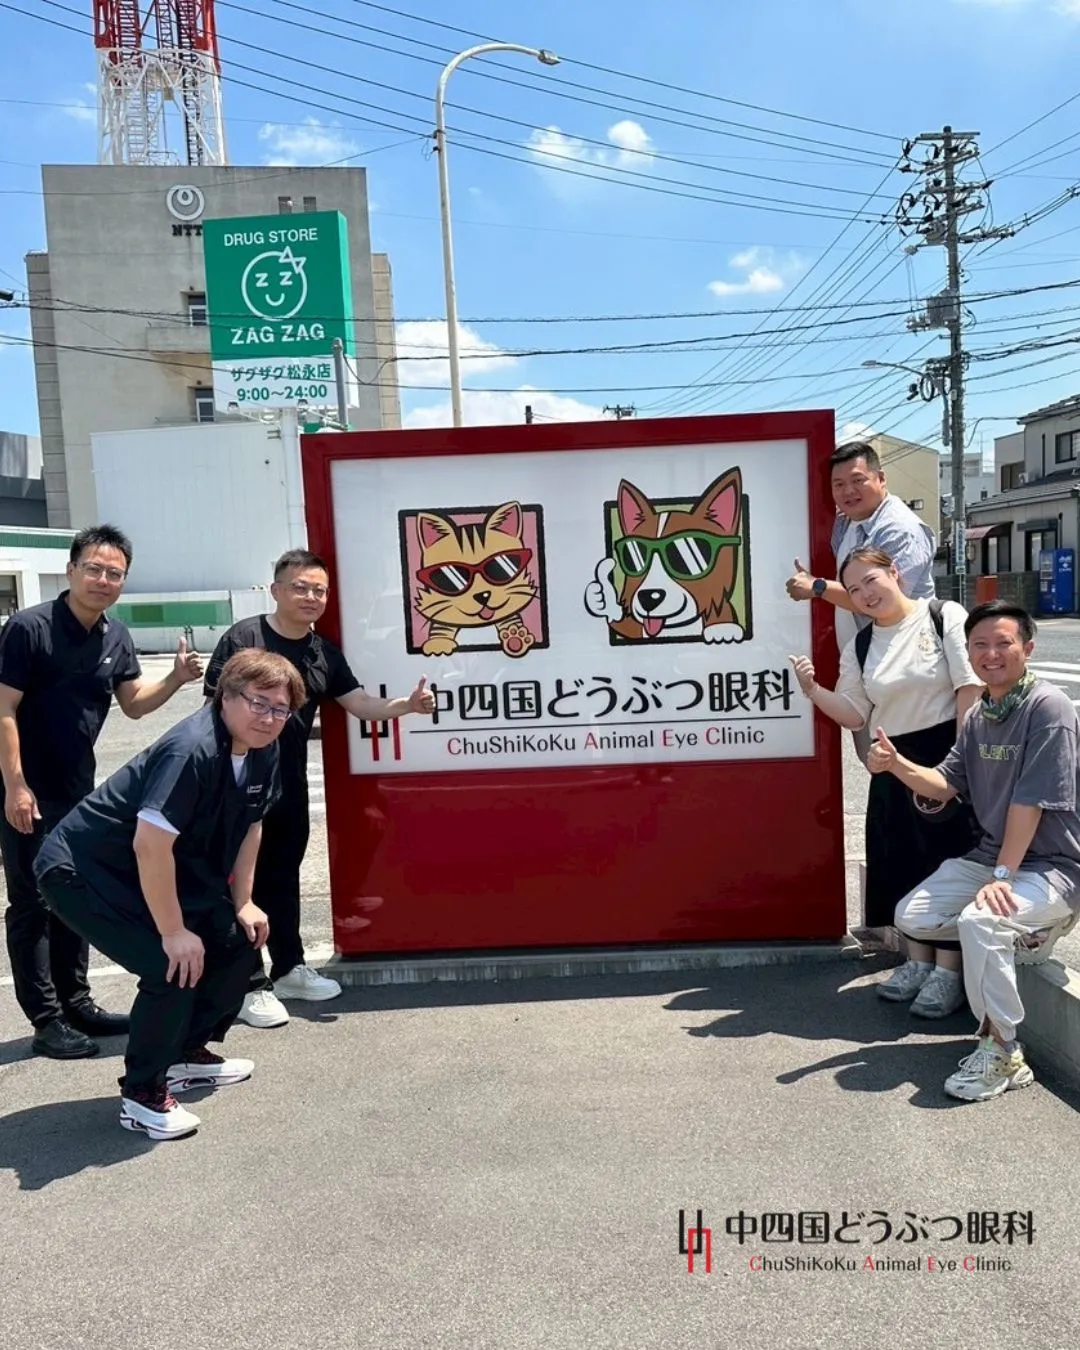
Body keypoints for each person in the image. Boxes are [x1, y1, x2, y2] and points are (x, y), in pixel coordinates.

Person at [33, 648, 306, 1140]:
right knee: (170, 964)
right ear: (225, 696)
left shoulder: (265, 747)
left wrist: (243, 901)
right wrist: (174, 930)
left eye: (280, 708)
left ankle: (183, 1054)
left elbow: (252, 824)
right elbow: (150, 845)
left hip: (153, 869)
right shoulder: (191, 750)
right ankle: (142, 1094)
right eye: (258, 702)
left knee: (235, 942)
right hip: (82, 870)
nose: (269, 717)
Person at [203, 548, 436, 1029]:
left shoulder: (323, 653)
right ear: (276, 590)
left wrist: (407, 706)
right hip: (236, 784)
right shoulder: (244, 639)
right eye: (300, 587)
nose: (311, 597)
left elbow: (360, 704)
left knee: (282, 879)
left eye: (320, 590)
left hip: (287, 785)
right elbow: (212, 709)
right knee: (237, 884)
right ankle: (248, 983)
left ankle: (289, 968)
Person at [0, 524, 203, 1059]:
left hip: (78, 790)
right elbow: (4, 709)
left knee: (72, 891)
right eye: (93, 568)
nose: (103, 579)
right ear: (71, 570)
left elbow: (133, 704)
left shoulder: (115, 635)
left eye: (115, 573)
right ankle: (46, 1019)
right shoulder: (29, 628)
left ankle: (77, 1003)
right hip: (27, 789)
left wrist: (176, 679)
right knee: (30, 902)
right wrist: (16, 785)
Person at [869, 600, 1080, 1101]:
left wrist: (1002, 877)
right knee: (912, 915)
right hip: (992, 857)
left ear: (1028, 648)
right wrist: (896, 764)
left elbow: (1030, 802)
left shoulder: (1047, 708)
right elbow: (945, 783)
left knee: (981, 921)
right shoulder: (983, 713)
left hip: (1052, 866)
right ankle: (1029, 933)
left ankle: (1003, 1050)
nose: (991, 654)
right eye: (979, 645)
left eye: (1003, 643)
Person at [790, 546, 983, 1016]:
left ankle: (949, 971)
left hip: (944, 755)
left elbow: (969, 687)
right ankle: (917, 962)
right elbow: (854, 713)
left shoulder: (942, 616)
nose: (864, 594)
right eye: (854, 589)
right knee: (902, 863)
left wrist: (958, 764)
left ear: (894, 572)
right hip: (891, 761)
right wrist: (813, 690)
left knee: (946, 863)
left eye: (870, 580)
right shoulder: (861, 644)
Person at [786, 441, 936, 760]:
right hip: (867, 657)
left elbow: (882, 601)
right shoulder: (848, 523)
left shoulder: (899, 529)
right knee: (875, 754)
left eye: (858, 480)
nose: (848, 491)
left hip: (905, 663)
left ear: (881, 478)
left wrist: (816, 587)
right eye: (838, 484)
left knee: (907, 755)